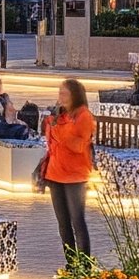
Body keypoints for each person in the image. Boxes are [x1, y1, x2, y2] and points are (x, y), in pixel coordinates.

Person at [42, 76, 96, 262]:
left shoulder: (84, 116)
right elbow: (51, 140)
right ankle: (72, 265)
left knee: (77, 221)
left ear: (75, 95)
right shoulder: (60, 116)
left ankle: (85, 265)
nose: (61, 97)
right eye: (60, 93)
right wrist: (56, 127)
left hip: (75, 176)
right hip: (55, 174)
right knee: (63, 224)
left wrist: (59, 130)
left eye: (65, 93)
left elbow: (78, 146)